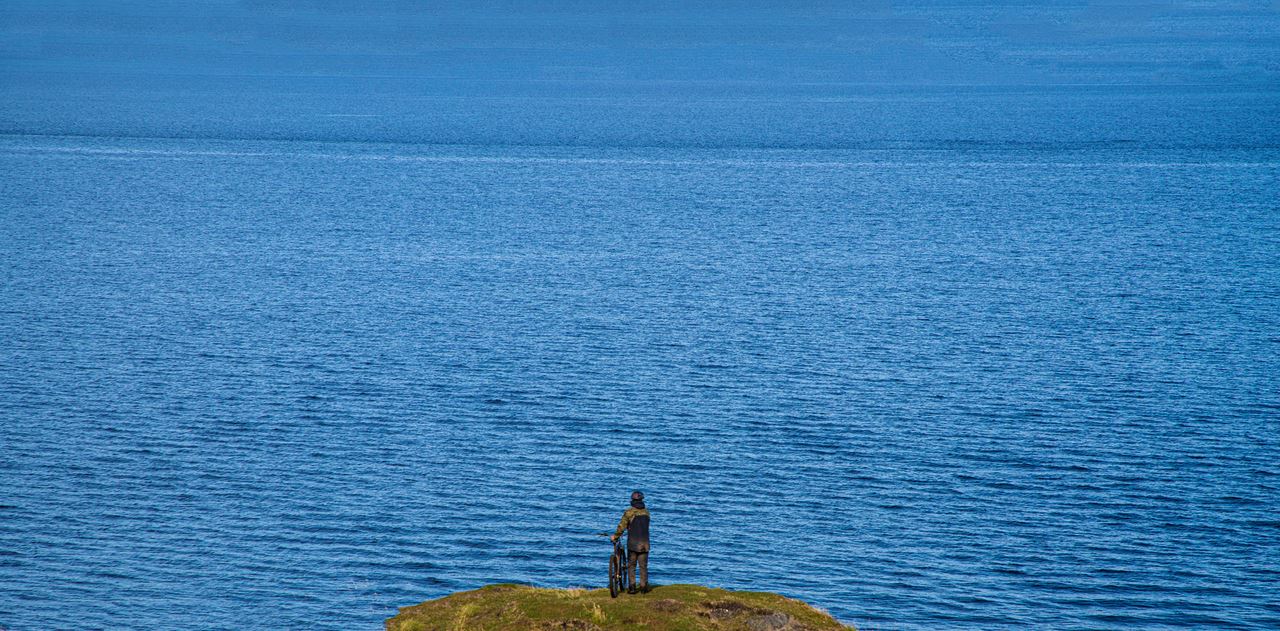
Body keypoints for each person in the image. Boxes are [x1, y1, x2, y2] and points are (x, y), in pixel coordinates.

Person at [611, 490, 650, 594]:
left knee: (631, 565)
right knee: (643, 567)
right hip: (645, 544)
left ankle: (632, 588)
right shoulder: (647, 512)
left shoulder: (629, 512)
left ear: (632, 500)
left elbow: (622, 526)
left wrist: (615, 536)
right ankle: (643, 588)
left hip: (633, 543)